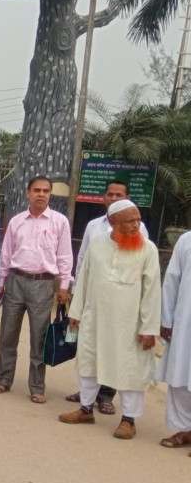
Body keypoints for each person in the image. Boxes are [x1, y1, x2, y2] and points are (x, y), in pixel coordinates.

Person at [59, 200, 161, 440]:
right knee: (88, 362)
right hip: (95, 319)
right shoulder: (97, 244)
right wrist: (76, 312)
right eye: (130, 220)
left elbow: (152, 292)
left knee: (130, 370)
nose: (136, 224)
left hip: (130, 326)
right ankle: (86, 410)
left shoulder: (148, 249)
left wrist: (148, 328)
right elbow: (84, 279)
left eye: (138, 219)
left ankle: (129, 420)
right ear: (113, 222)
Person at [63, 179, 148, 413]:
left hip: (126, 313)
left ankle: (113, 404)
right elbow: (84, 265)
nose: (136, 225)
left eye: (119, 195)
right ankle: (86, 404)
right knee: (89, 353)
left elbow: (148, 282)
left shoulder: (142, 237)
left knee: (120, 357)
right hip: (95, 307)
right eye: (110, 194)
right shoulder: (95, 232)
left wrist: (148, 324)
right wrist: (76, 303)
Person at [0, 176, 72, 403]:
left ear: (50, 194)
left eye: (46, 191)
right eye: (37, 190)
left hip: (43, 284)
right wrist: (0, 283)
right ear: (28, 193)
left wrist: (64, 286)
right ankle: (3, 379)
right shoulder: (17, 221)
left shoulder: (59, 222)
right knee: (7, 334)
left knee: (39, 338)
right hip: (16, 280)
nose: (41, 194)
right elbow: (5, 254)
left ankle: (37, 386)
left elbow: (65, 256)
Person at [159, 231, 191, 451]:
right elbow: (172, 279)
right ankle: (184, 428)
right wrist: (166, 320)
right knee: (180, 372)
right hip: (185, 320)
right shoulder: (186, 240)